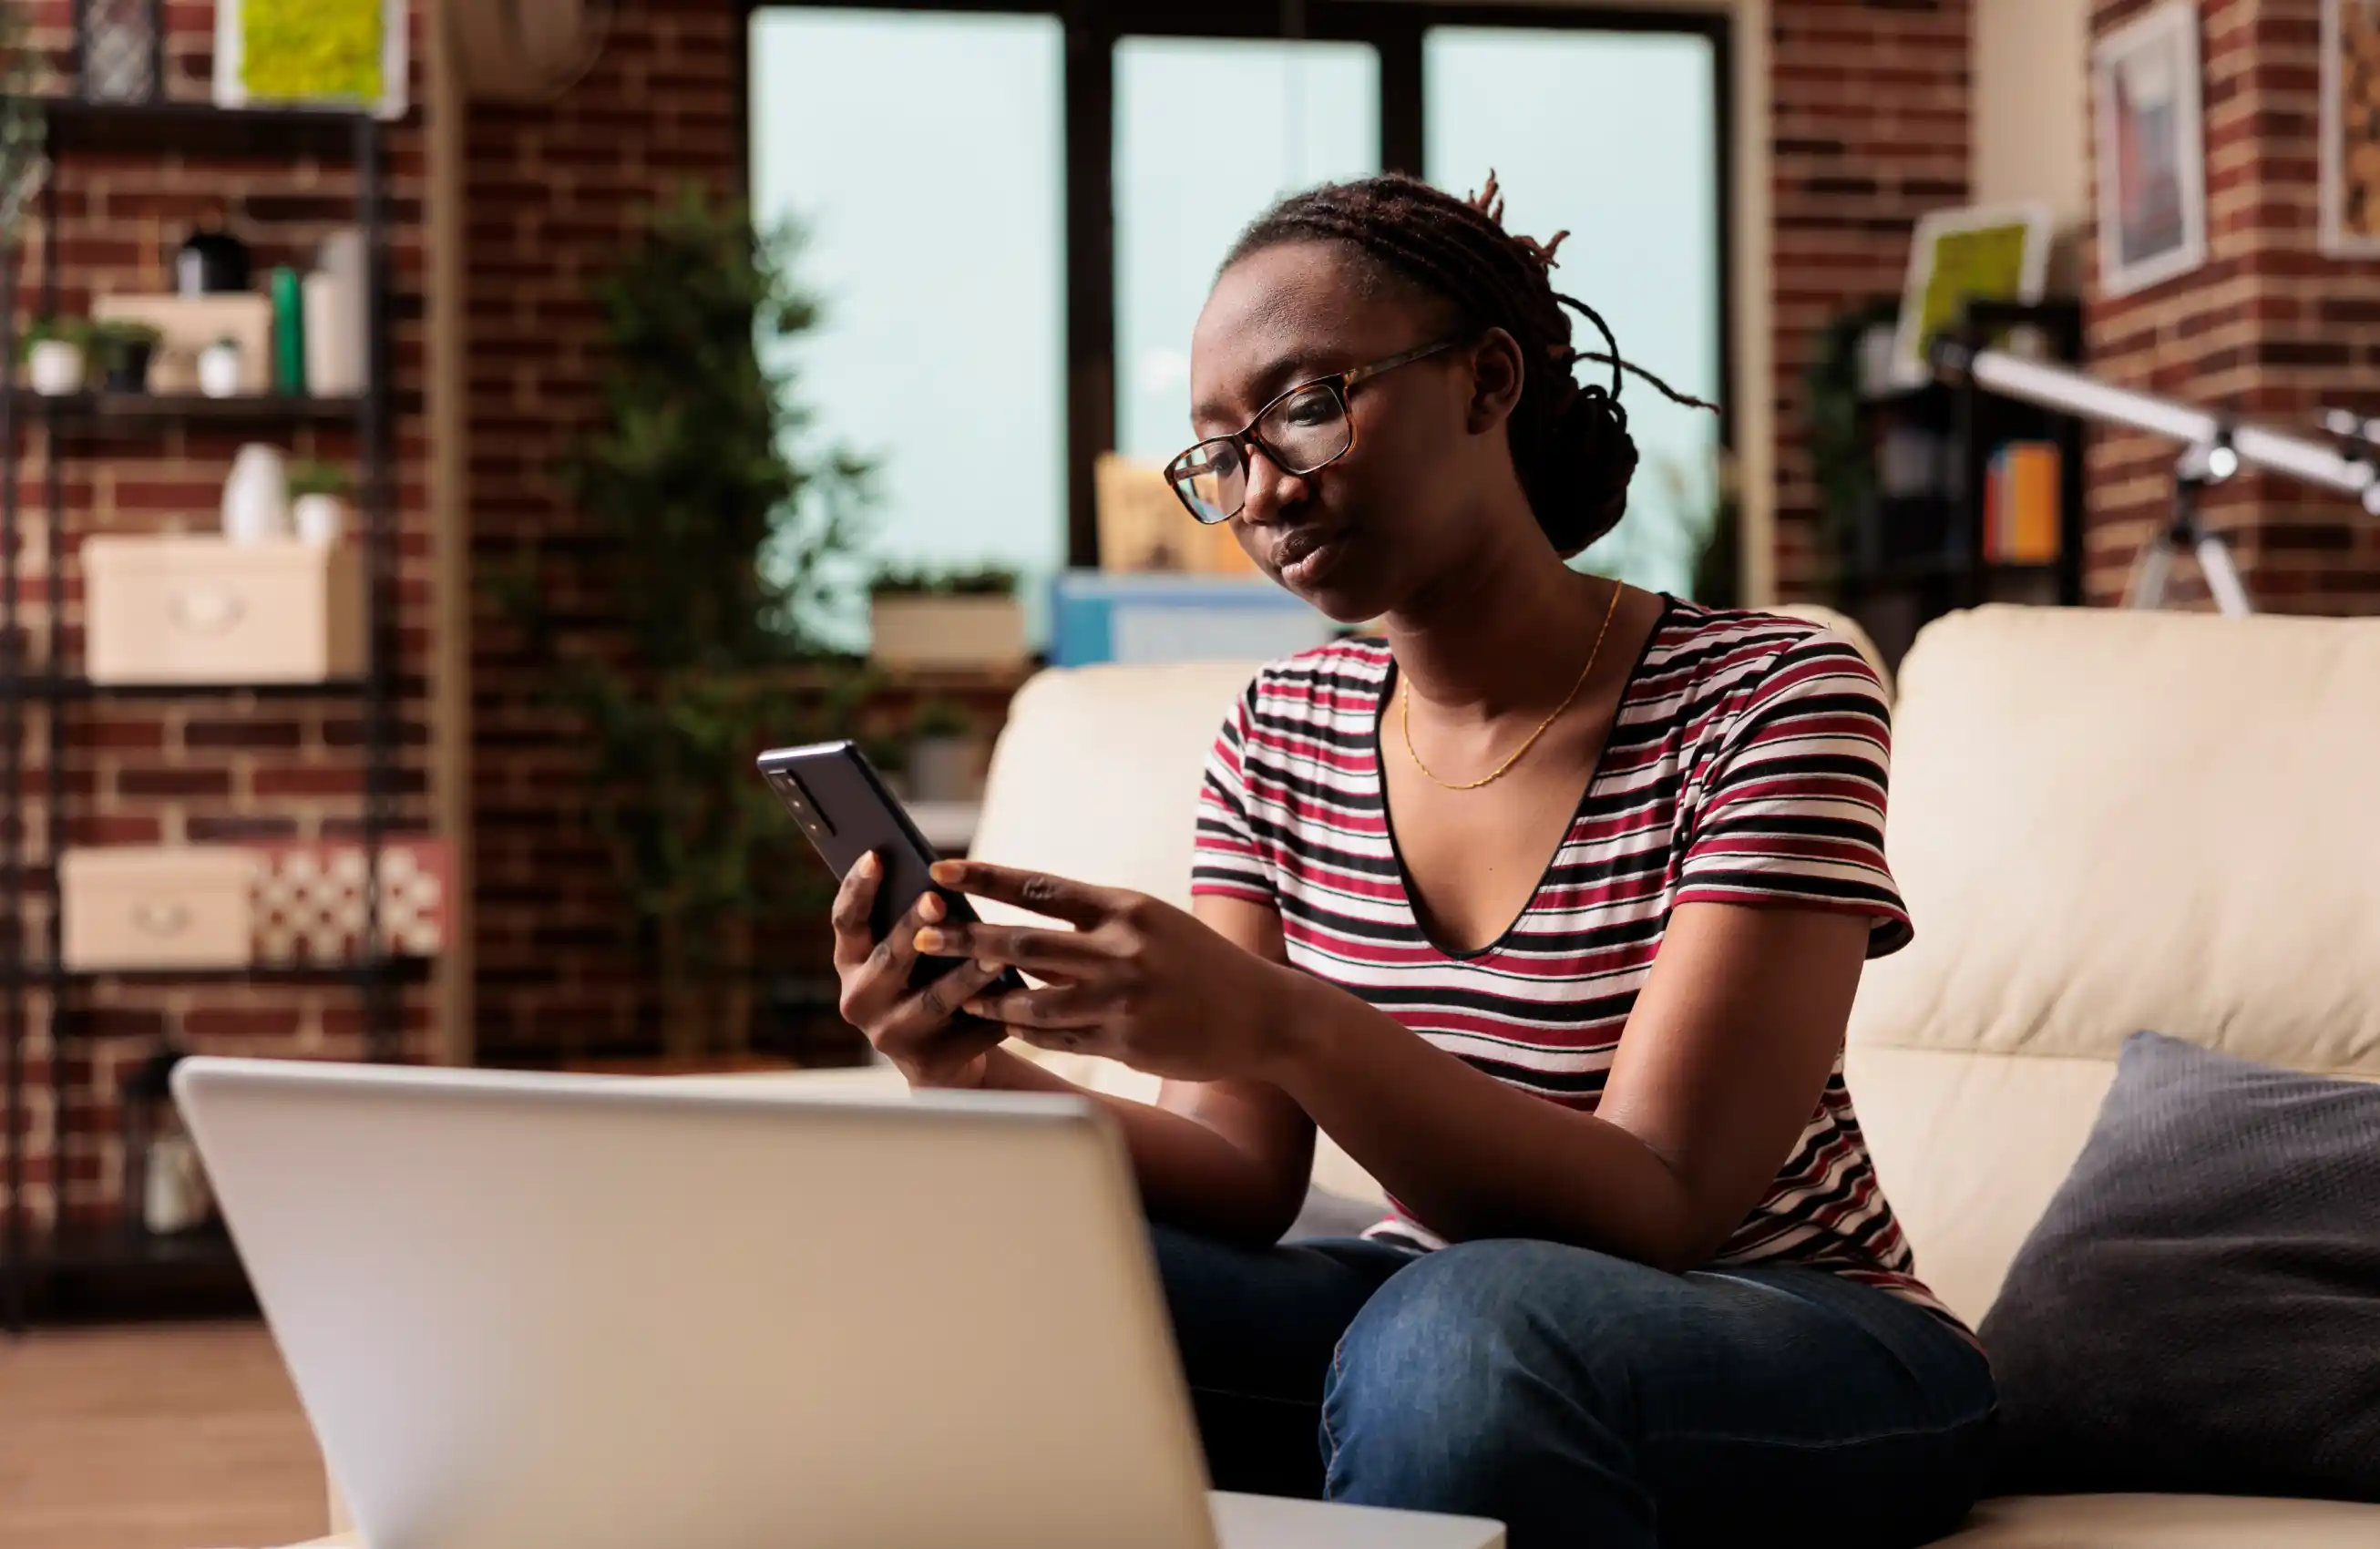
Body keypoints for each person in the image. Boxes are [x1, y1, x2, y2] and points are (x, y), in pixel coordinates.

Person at [828, 173, 1995, 1548]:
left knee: (1458, 1328)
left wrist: (1282, 1021)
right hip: (1433, 1332)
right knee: (1011, 1265)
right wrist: (970, 1068)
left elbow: (1662, 1202)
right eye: (1220, 452)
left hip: (1794, 1330)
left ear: (1486, 381)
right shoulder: (1280, 732)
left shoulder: (1769, 697)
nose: (1264, 487)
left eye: (1306, 405)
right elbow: (1239, 1171)